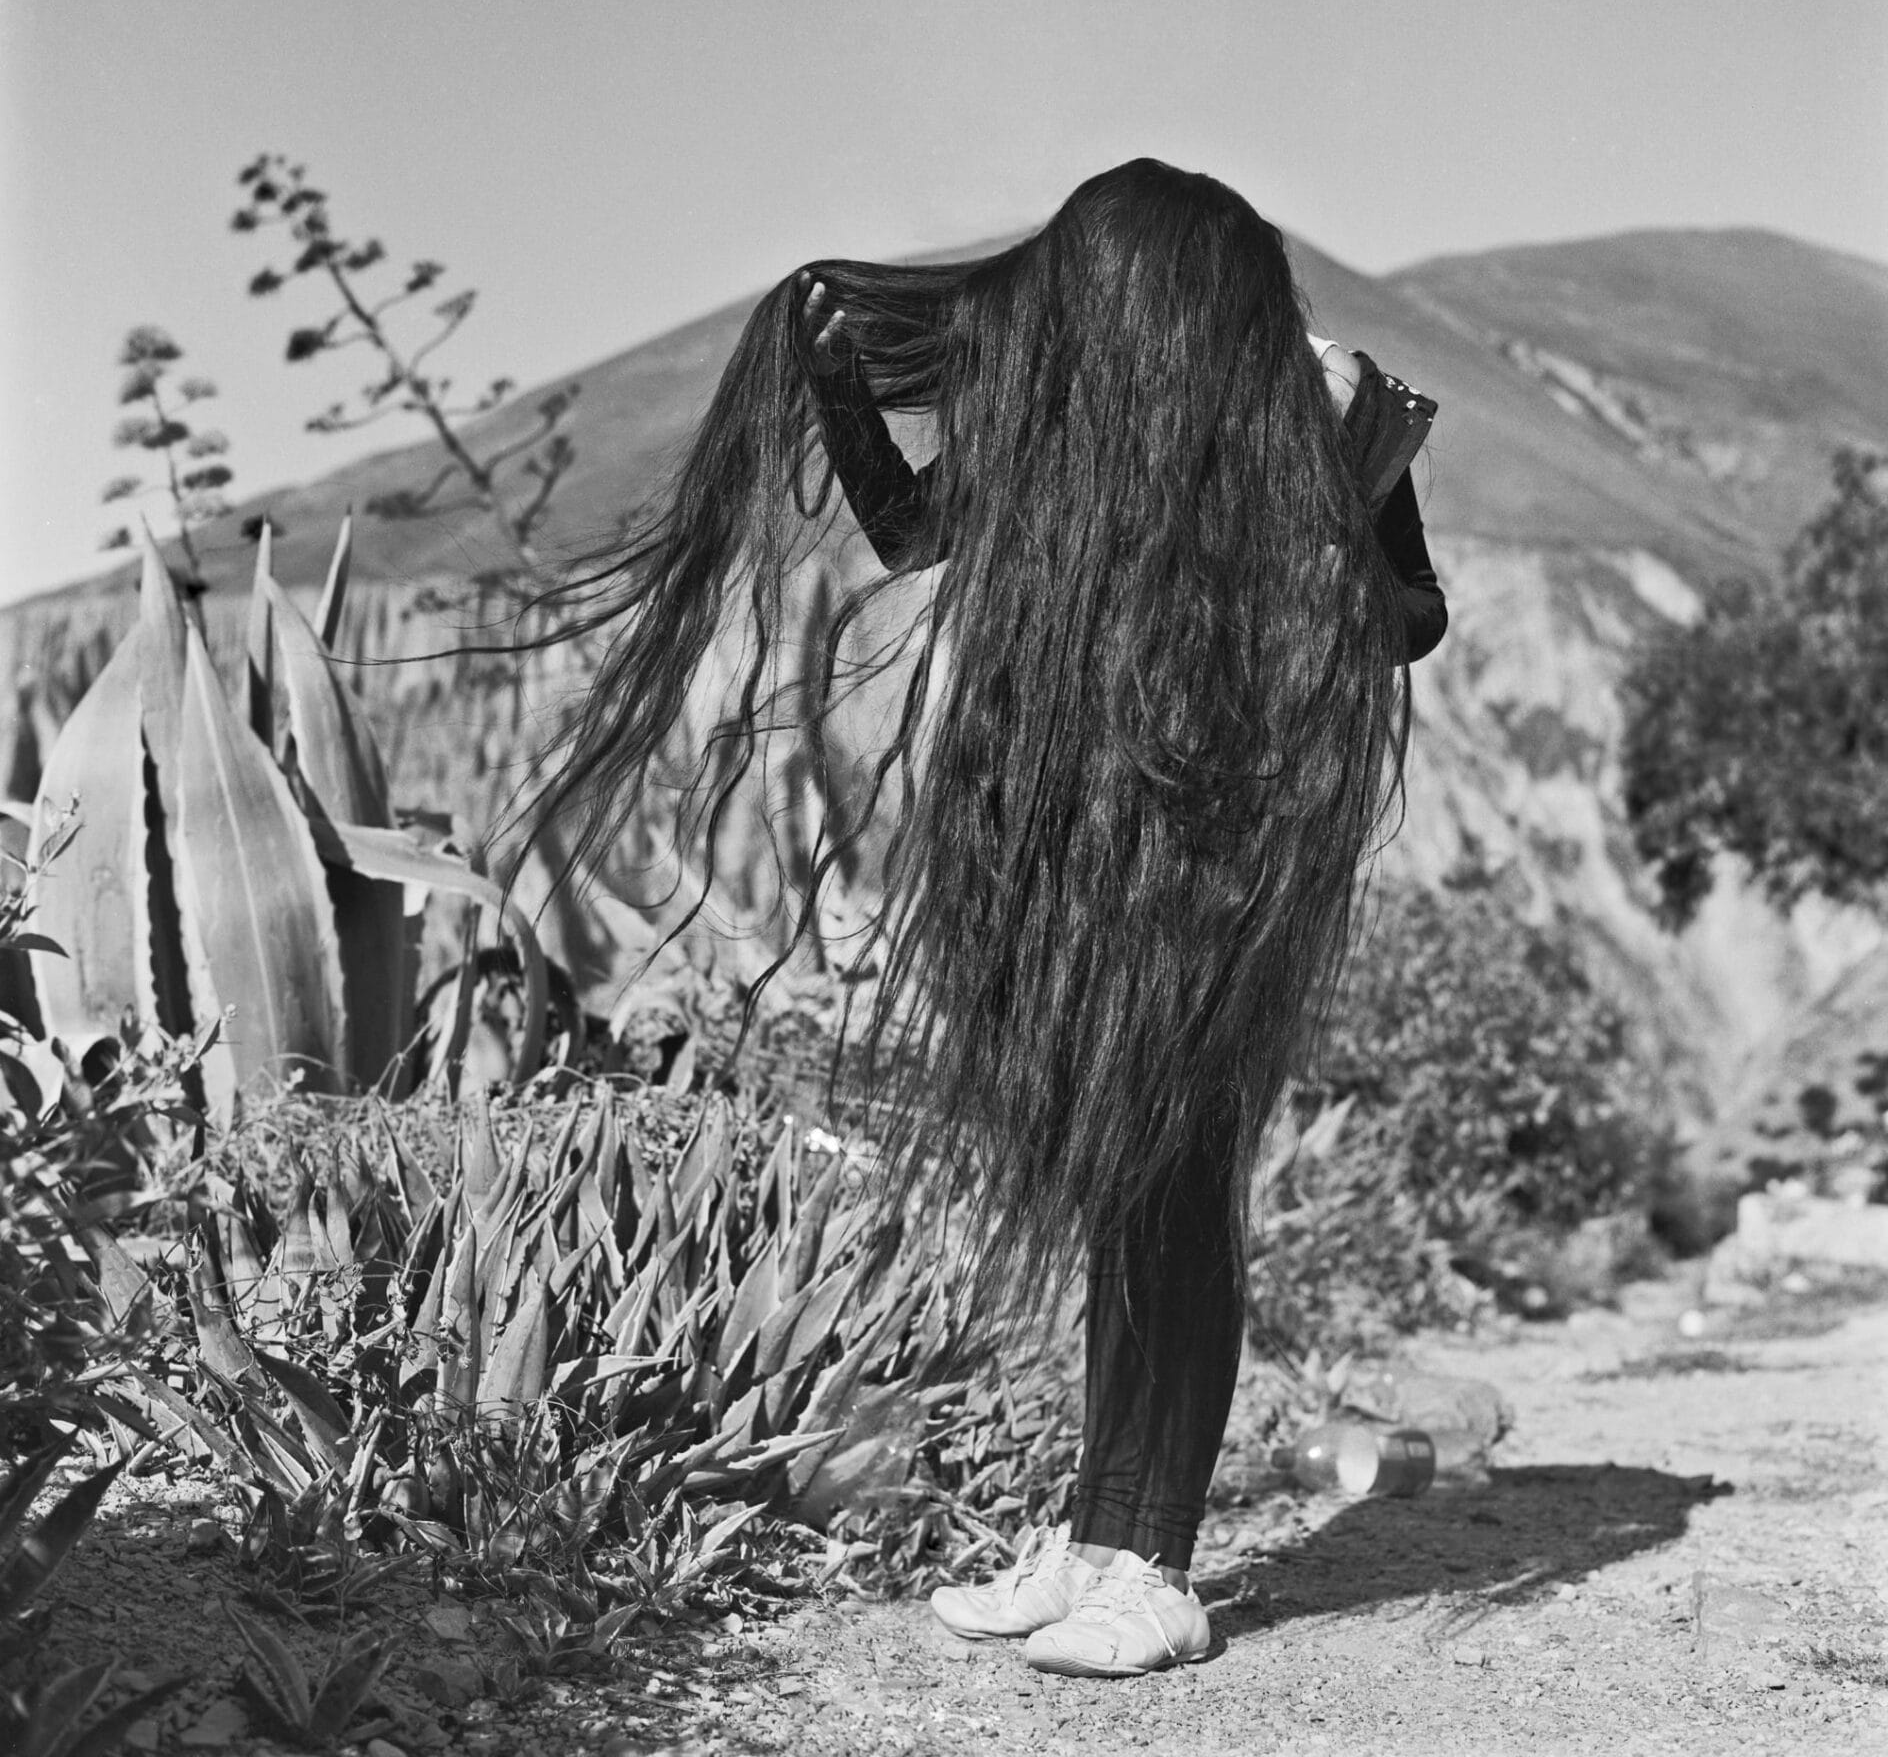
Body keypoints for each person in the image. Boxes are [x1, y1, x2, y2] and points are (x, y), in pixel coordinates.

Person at [524, 158, 1446, 1679]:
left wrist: (1337, 512)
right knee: (1120, 1202)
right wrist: (831, 387)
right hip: (1086, 860)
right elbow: (909, 530)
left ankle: (1154, 1569)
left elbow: (1412, 623)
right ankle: (1094, 1543)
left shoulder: (1338, 408)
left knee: (1180, 1195)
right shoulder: (1085, 428)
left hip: (1226, 873)